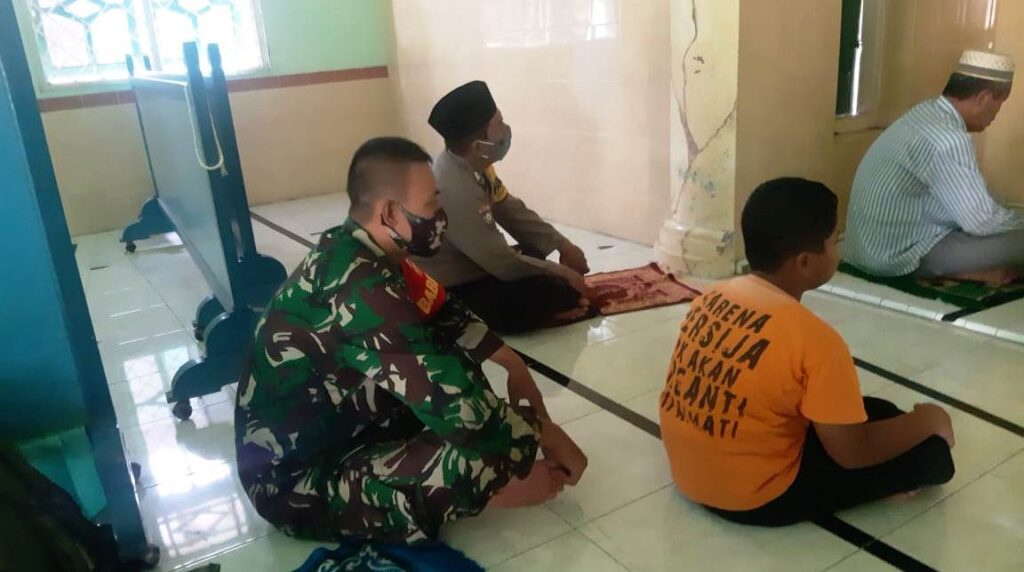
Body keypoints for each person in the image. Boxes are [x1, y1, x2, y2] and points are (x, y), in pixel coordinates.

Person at [235, 137, 588, 544]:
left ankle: (483, 470)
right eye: (431, 204)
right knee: (478, 459)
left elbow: (447, 314)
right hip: (296, 485)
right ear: (390, 213)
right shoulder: (360, 288)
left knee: (457, 367)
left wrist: (514, 366)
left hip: (342, 429)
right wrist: (538, 436)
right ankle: (493, 490)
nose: (440, 216)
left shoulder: (363, 248)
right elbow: (462, 408)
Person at [659, 178, 955, 526]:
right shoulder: (817, 341)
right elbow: (853, 453)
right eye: (834, 241)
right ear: (804, 262)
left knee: (877, 411)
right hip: (760, 498)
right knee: (933, 456)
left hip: (690, 473)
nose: (838, 249)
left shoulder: (710, 298)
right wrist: (931, 419)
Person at [413, 80, 592, 333]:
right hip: (452, 287)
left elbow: (508, 208)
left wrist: (562, 245)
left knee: (535, 255)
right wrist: (563, 273)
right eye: (499, 123)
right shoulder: (453, 188)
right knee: (558, 292)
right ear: (478, 145)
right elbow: (502, 264)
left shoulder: (476, 165)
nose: (506, 130)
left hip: (479, 266)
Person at [844, 49, 1024, 286]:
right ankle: (959, 271)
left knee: (996, 199)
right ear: (984, 97)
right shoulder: (949, 139)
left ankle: (970, 267)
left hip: (863, 247)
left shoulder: (928, 113)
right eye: (999, 104)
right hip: (896, 258)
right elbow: (981, 221)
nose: (996, 114)